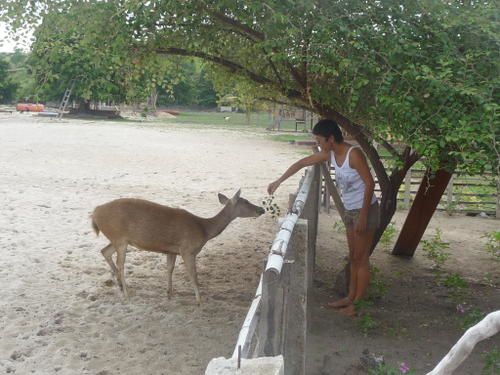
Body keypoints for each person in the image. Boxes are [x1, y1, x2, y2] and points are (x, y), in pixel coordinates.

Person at [267, 119, 379, 317]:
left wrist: (363, 217)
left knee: (361, 259)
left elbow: (370, 184)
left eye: (320, 140)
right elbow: (302, 163)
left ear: (331, 138)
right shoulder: (331, 154)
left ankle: (357, 306)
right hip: (350, 211)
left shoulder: (354, 155)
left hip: (365, 210)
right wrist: (278, 181)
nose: (319, 144)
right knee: (353, 256)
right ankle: (350, 297)